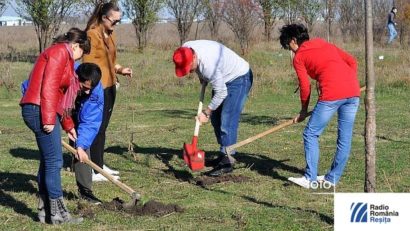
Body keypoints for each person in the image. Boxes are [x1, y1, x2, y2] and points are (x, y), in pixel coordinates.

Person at [20, 28, 90, 224]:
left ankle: (45, 212)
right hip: (39, 109)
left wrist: (68, 125)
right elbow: (50, 87)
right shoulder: (60, 52)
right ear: (75, 46)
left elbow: (62, 95)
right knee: (54, 162)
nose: (78, 59)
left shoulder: (63, 56)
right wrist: (49, 119)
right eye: (81, 54)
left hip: (40, 109)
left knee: (47, 161)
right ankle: (58, 215)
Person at [279, 24, 360, 189]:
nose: (291, 50)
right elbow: (352, 61)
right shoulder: (323, 43)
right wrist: (347, 82)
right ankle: (332, 178)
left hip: (332, 94)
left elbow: (305, 86)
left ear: (294, 40)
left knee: (310, 133)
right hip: (353, 92)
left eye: (289, 46)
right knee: (344, 138)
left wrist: (303, 110)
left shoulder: (299, 57)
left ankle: (310, 178)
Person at [172, 40, 253, 177]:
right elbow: (201, 70)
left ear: (194, 58)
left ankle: (228, 161)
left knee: (227, 119)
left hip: (239, 78)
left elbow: (221, 93)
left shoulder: (209, 65)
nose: (190, 72)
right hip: (222, 77)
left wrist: (207, 111)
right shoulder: (185, 48)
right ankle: (224, 154)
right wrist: (200, 75)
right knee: (216, 119)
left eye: (190, 68)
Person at [83, 2, 132, 181]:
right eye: (114, 21)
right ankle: (93, 170)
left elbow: (110, 61)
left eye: (119, 21)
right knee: (96, 127)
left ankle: (99, 164)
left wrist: (120, 70)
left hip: (111, 86)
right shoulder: (92, 34)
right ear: (104, 18)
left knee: (103, 128)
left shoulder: (110, 35)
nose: (116, 25)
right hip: (98, 89)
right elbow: (88, 65)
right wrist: (91, 88)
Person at [62, 63, 107, 205]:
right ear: (77, 78)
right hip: (51, 104)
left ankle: (85, 191)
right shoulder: (65, 75)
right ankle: (49, 189)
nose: (88, 92)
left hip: (77, 110)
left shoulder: (96, 93)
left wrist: (80, 146)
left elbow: (90, 123)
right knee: (51, 147)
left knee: (81, 145)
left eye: (91, 89)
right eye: (86, 88)